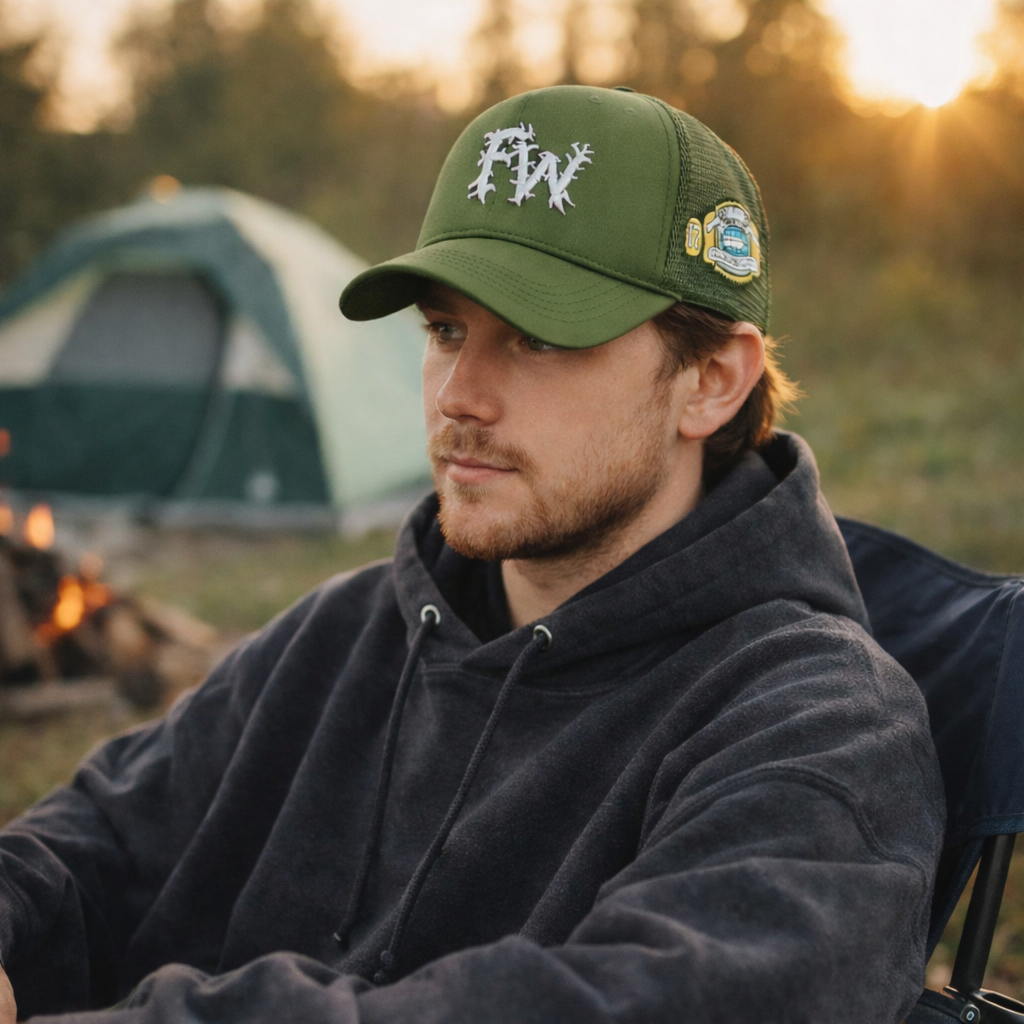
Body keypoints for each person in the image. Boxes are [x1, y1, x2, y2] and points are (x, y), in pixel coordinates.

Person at [0, 85, 943, 1023]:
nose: (460, 394)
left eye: (537, 337)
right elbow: (99, 840)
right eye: (446, 330)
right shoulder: (348, 633)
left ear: (710, 383)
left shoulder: (818, 729)